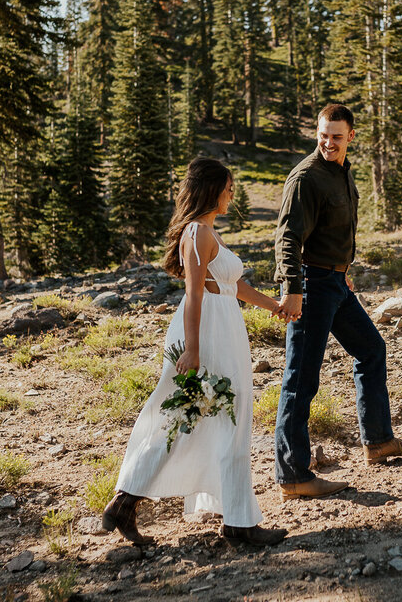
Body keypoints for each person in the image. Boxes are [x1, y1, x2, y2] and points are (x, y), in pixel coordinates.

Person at [102, 158, 288, 547]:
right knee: (186, 418)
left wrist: (277, 307)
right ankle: (234, 523)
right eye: (228, 188)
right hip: (206, 334)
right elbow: (193, 293)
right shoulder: (198, 233)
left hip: (224, 329)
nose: (232, 194)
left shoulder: (210, 233)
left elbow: (234, 287)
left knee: (210, 421)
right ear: (212, 189)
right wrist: (193, 349)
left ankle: (229, 517)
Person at [273, 103, 402, 500]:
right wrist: (292, 288)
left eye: (336, 137)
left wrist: (343, 270)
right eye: (323, 135)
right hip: (311, 285)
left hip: (336, 283)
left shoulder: (341, 171)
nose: (328, 142)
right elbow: (288, 237)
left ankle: (377, 441)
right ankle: (293, 476)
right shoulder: (306, 177)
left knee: (372, 349)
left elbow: (334, 231)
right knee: (300, 379)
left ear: (350, 137)